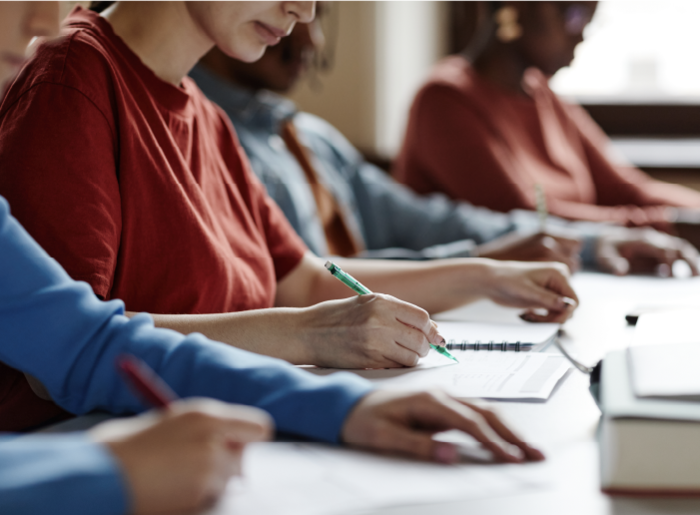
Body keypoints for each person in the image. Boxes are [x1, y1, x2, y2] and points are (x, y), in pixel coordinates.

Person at [0, 2, 542, 512]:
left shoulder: (207, 118)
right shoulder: (70, 77)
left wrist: (481, 276)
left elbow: (301, 279)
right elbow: (63, 359)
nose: (305, 11)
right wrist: (311, 338)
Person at [190, 6, 700, 278]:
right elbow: (301, 282)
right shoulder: (205, 136)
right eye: (569, 11)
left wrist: (592, 243)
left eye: (318, 12)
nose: (313, 38)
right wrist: (480, 263)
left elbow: (429, 221)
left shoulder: (310, 137)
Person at [393, 0, 700, 235]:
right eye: (573, 14)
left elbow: (629, 190)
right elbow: (527, 219)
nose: (581, 34)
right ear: (517, 6)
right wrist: (671, 227)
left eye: (590, 19)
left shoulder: (544, 96)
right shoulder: (444, 100)